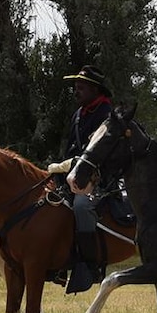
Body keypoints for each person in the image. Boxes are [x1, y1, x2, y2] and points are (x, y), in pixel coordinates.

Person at [44, 64, 114, 293]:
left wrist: (68, 165)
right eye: (76, 86)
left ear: (95, 89)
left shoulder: (105, 113)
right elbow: (70, 147)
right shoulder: (79, 114)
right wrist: (60, 169)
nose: (76, 91)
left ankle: (90, 265)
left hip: (98, 177)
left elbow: (97, 152)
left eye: (81, 87)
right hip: (73, 174)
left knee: (82, 206)